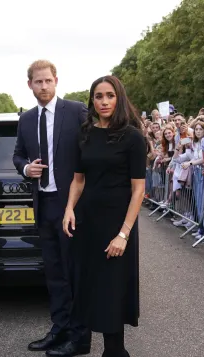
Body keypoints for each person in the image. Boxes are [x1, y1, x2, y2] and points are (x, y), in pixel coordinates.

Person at [62, 75, 145, 357]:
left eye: (109, 95)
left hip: (117, 222)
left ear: (119, 98)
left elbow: (138, 190)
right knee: (91, 286)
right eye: (98, 96)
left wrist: (124, 233)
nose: (104, 101)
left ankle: (115, 351)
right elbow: (78, 180)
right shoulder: (84, 134)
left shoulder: (132, 137)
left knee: (112, 290)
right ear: (92, 101)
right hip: (88, 222)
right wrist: (69, 208)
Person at [12, 60, 91, 357]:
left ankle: (80, 338)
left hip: (71, 205)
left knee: (75, 273)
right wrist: (25, 168)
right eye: (38, 82)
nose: (43, 86)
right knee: (54, 274)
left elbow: (92, 150)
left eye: (48, 81)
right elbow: (18, 154)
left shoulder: (76, 110)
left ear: (56, 80)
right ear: (29, 84)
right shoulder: (27, 119)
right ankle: (59, 330)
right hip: (43, 204)